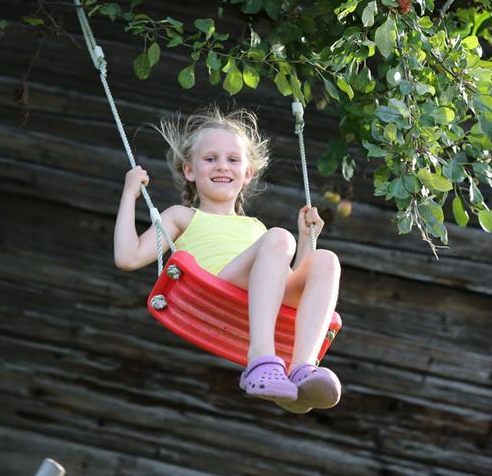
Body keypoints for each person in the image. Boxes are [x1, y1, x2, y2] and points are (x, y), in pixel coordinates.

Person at [112, 105, 342, 413]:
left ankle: (302, 371)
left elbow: (290, 282)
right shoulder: (182, 216)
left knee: (326, 260)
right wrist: (129, 196)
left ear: (246, 174)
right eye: (210, 159)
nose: (222, 166)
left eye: (232, 160)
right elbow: (127, 257)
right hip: (214, 288)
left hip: (259, 297)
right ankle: (261, 360)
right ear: (189, 170)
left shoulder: (256, 228)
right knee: (278, 238)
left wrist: (305, 240)